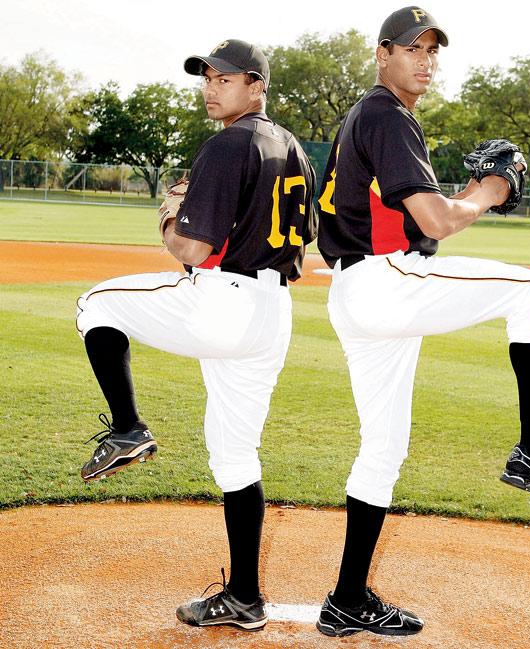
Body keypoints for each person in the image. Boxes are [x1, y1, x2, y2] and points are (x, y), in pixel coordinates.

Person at [315, 6, 530, 638]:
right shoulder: (387, 114)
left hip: (356, 295)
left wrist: (465, 190)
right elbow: (437, 223)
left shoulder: (366, 117)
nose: (425, 60)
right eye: (412, 48)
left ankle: (347, 598)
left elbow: (412, 212)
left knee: (382, 449)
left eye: (433, 51)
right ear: (383, 53)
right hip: (387, 282)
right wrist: (490, 191)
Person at [76, 39, 316, 632]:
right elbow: (303, 233)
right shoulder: (291, 147)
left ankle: (129, 428)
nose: (212, 88)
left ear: (257, 85)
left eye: (226, 79)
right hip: (272, 313)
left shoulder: (230, 143)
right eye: (208, 78)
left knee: (96, 304)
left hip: (223, 303)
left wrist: (168, 214)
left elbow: (192, 248)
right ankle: (244, 598)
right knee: (235, 455)